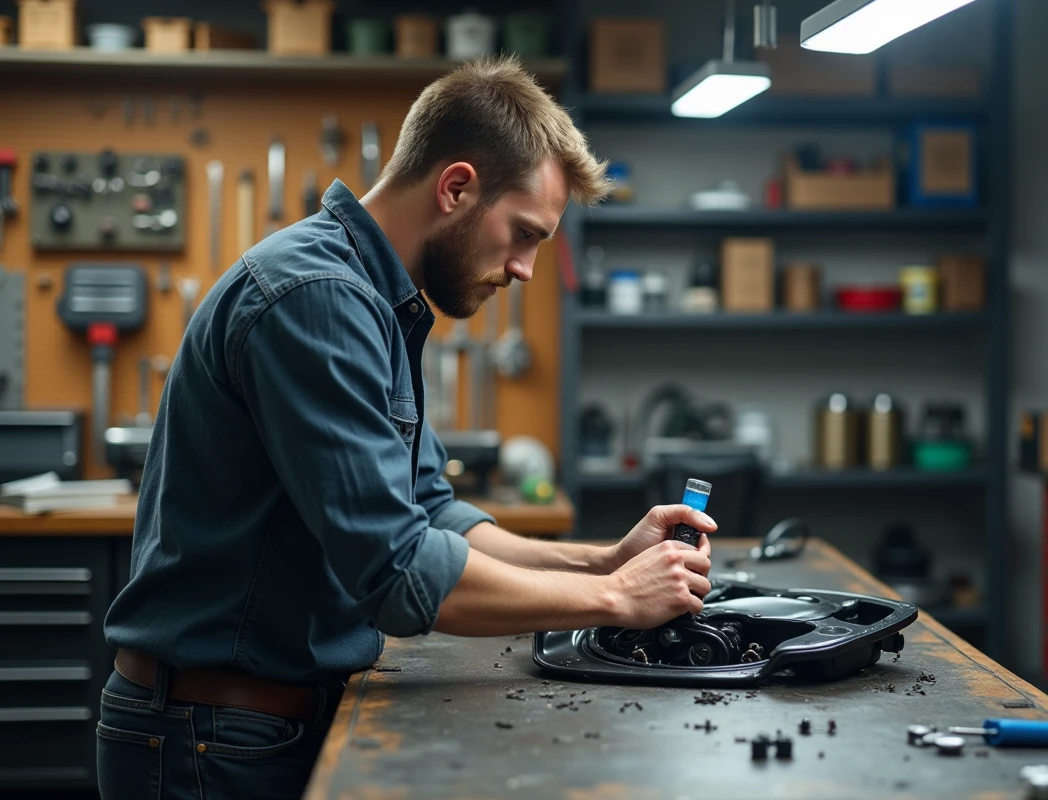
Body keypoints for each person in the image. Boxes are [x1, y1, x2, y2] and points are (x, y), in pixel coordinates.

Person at [96, 56, 716, 800]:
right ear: (456, 187)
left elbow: (431, 512)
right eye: (523, 234)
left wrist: (601, 563)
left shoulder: (375, 302)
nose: (524, 269)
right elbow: (397, 570)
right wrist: (617, 602)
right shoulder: (315, 296)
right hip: (211, 740)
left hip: (254, 725)